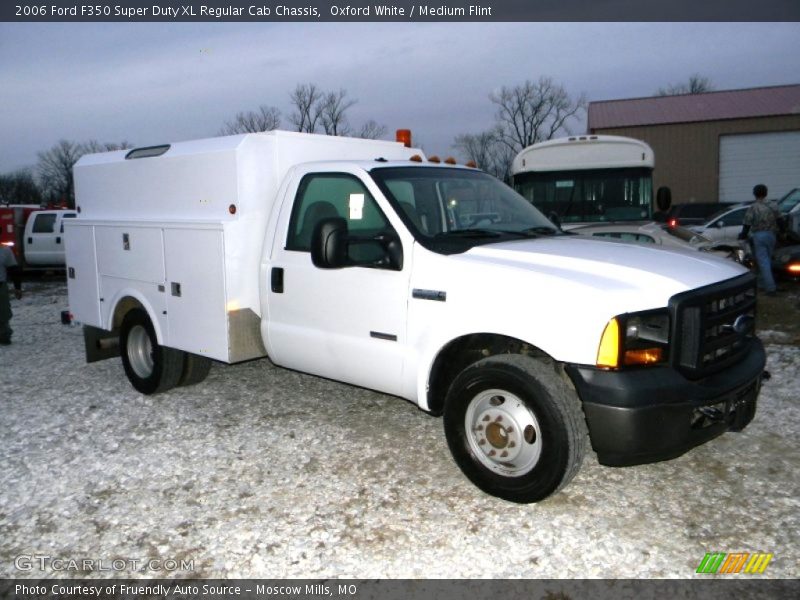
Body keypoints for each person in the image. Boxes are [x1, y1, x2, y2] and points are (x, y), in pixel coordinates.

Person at [739, 184, 781, 296]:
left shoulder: (753, 207)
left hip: (759, 235)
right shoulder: (773, 205)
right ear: (766, 193)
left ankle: (771, 289)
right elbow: (780, 220)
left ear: (754, 194)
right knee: (768, 260)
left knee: (763, 262)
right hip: (772, 235)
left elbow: (746, 224)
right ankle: (762, 283)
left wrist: (742, 236)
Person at [0, 244, 23, 345]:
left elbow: (13, 270)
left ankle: (4, 335)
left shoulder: (5, 250)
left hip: (0, 286)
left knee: (4, 313)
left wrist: (17, 288)